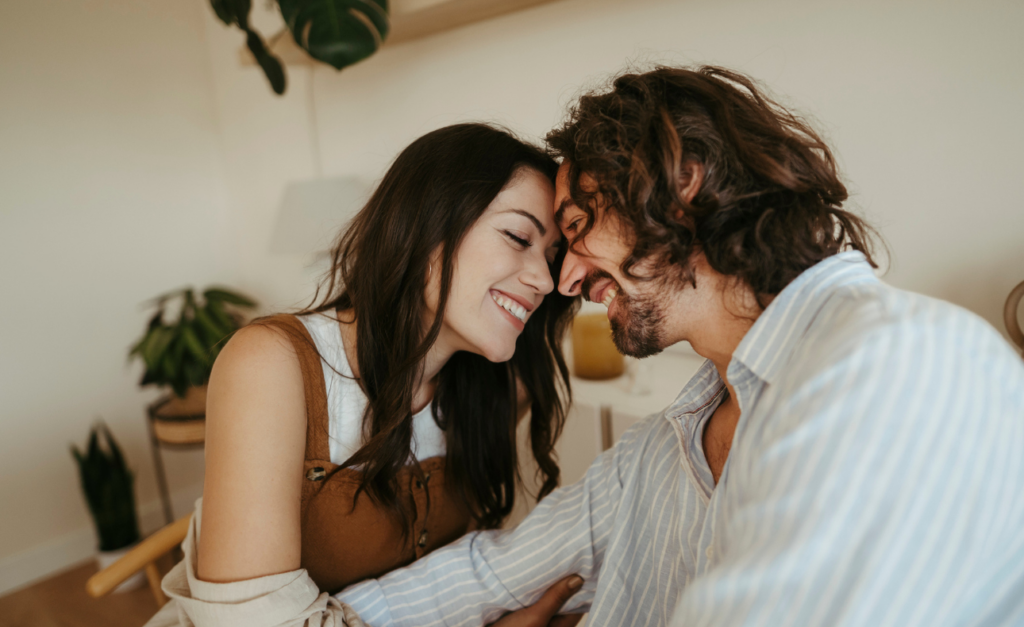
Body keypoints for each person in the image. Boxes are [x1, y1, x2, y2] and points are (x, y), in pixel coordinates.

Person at [336, 67, 1024, 626]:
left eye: (578, 226)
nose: (566, 278)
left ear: (681, 182)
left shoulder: (904, 358)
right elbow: (483, 574)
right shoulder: (659, 454)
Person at [147, 123, 578, 627]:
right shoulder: (271, 364)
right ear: (424, 223)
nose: (544, 280)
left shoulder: (501, 387)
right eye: (518, 236)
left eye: (552, 257)